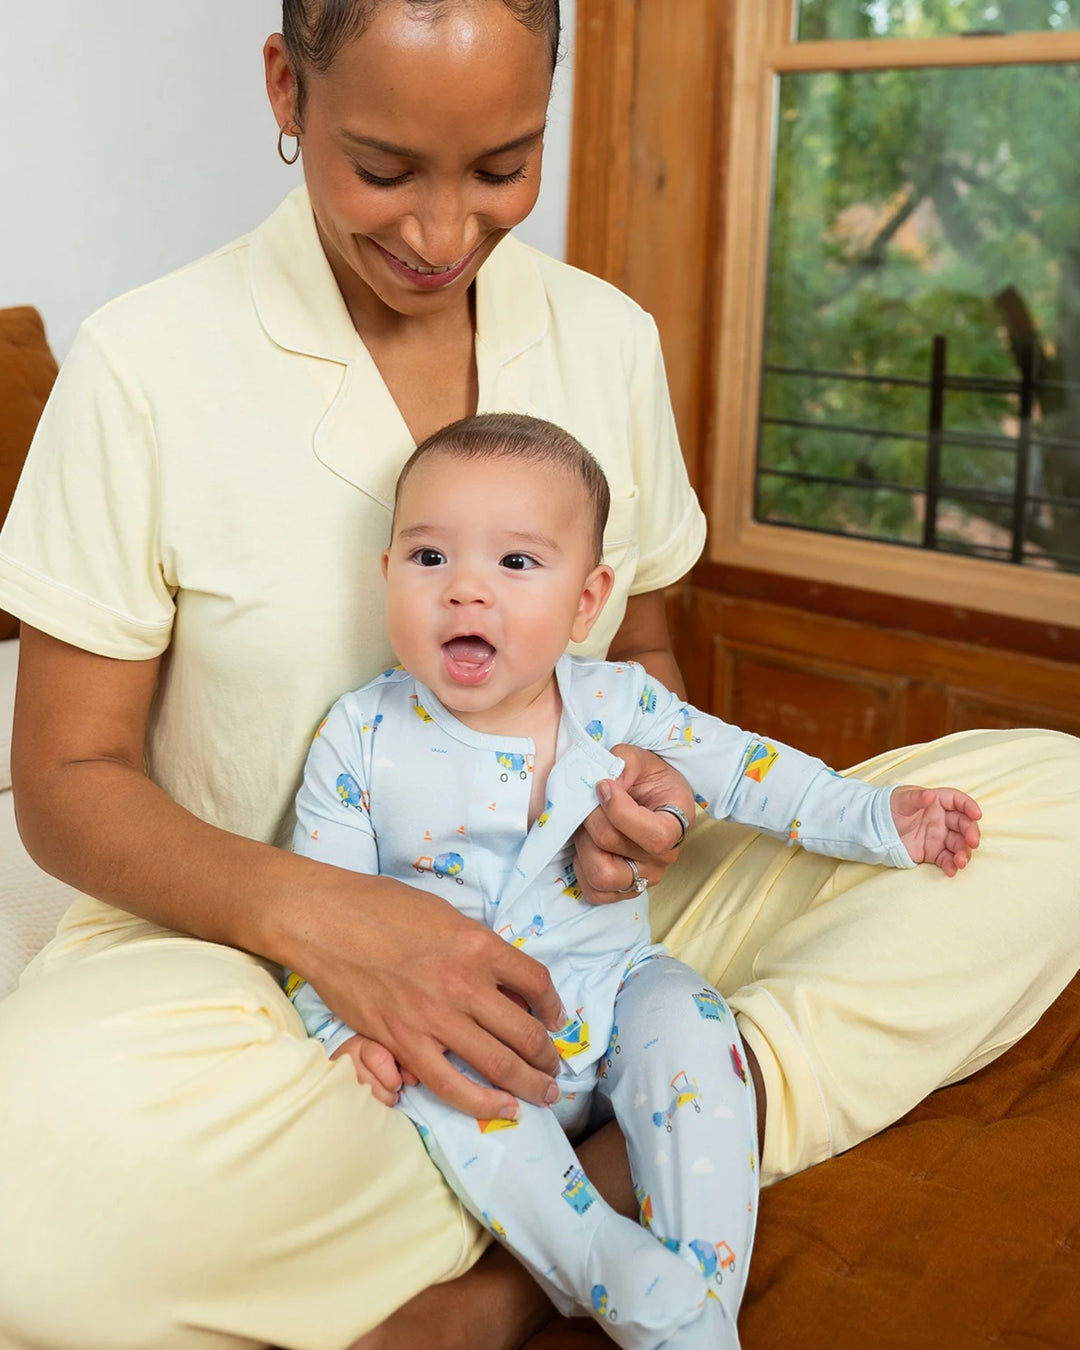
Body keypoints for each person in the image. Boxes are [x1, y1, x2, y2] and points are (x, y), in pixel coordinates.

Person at [0, 1, 1075, 1347]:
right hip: (256, 955)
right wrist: (336, 926)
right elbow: (60, 780)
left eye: (503, 165)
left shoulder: (603, 339)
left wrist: (658, 810)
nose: (444, 234)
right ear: (288, 89)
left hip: (604, 928)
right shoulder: (145, 366)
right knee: (25, 1220)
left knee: (1054, 809)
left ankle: (520, 1263)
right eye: (385, 169)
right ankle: (664, 1133)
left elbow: (642, 660)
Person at [284, 411, 982, 1350]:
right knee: (459, 1115)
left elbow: (749, 770)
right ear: (387, 576)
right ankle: (624, 1282)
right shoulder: (361, 735)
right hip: (457, 1029)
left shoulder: (620, 703)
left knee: (697, 1029)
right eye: (429, 559)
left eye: (517, 565)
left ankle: (703, 1300)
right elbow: (323, 910)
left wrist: (876, 818)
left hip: (616, 987)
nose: (466, 594)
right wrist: (343, 1031)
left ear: (588, 600)